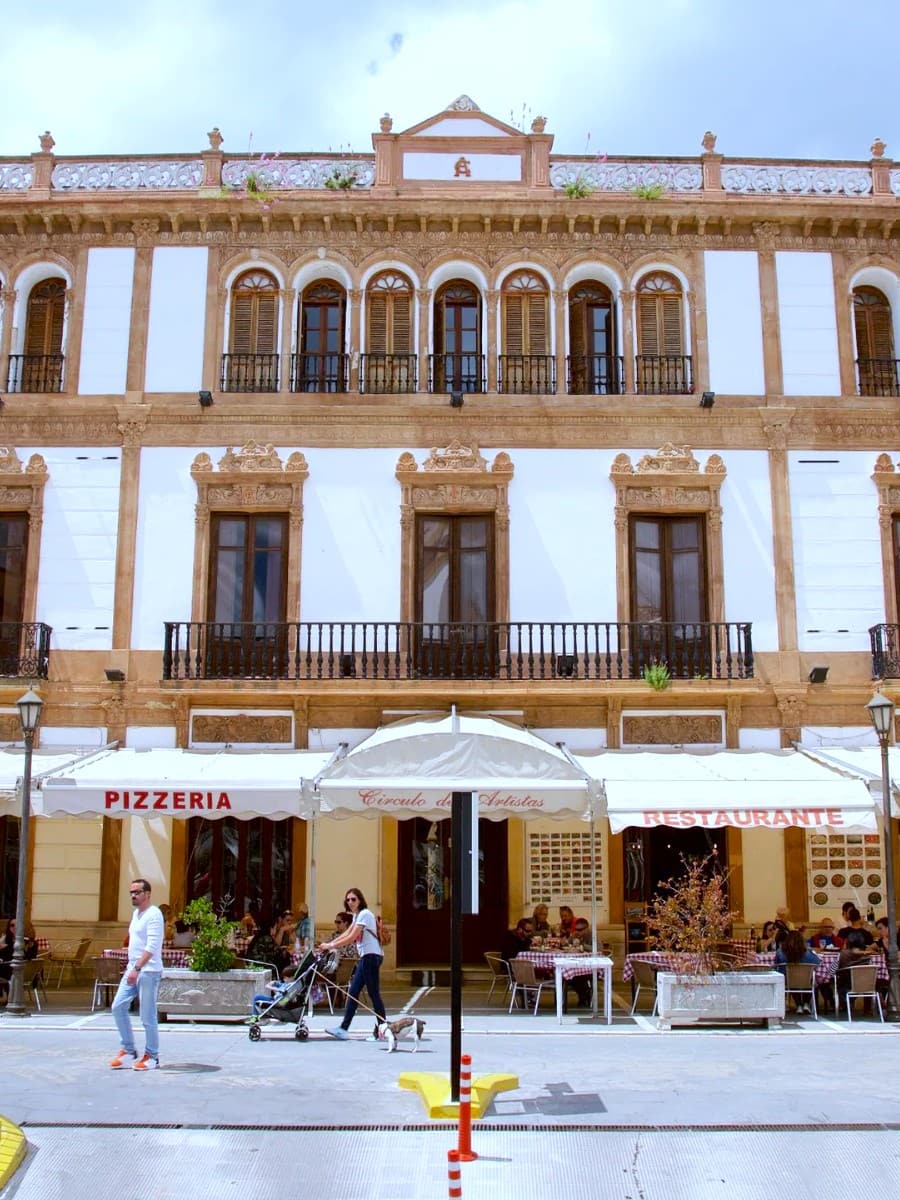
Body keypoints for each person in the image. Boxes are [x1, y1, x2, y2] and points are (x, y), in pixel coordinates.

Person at [109, 878, 164, 1071]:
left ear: (147, 894)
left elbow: (153, 945)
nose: (133, 895)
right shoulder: (136, 914)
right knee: (118, 1006)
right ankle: (129, 1049)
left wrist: (137, 968)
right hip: (134, 968)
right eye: (131, 892)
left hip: (147, 971)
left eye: (137, 892)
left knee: (147, 1015)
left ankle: (152, 1056)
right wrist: (132, 968)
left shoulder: (154, 914)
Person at [319, 887, 386, 1041]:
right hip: (367, 957)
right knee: (354, 992)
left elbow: (351, 937)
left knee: (373, 994)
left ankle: (382, 1029)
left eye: (353, 899)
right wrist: (330, 943)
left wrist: (330, 946)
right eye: (348, 899)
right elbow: (347, 934)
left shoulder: (365, 914)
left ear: (360, 900)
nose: (350, 902)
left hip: (370, 956)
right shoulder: (357, 916)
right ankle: (344, 1028)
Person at [775, 929, 821, 1014]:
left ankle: (799, 1005)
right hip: (805, 980)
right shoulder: (808, 953)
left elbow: (776, 964)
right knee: (811, 980)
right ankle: (806, 1004)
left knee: (792, 980)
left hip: (788, 981)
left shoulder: (780, 952)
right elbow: (818, 962)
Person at [0, 919, 39, 1000]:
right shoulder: (6, 940)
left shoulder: (30, 943)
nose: (14, 927)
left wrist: (7, 948)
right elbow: (4, 958)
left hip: (23, 971)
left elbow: (28, 957)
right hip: (8, 968)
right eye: (12, 925)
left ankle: (7, 997)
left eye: (17, 925)